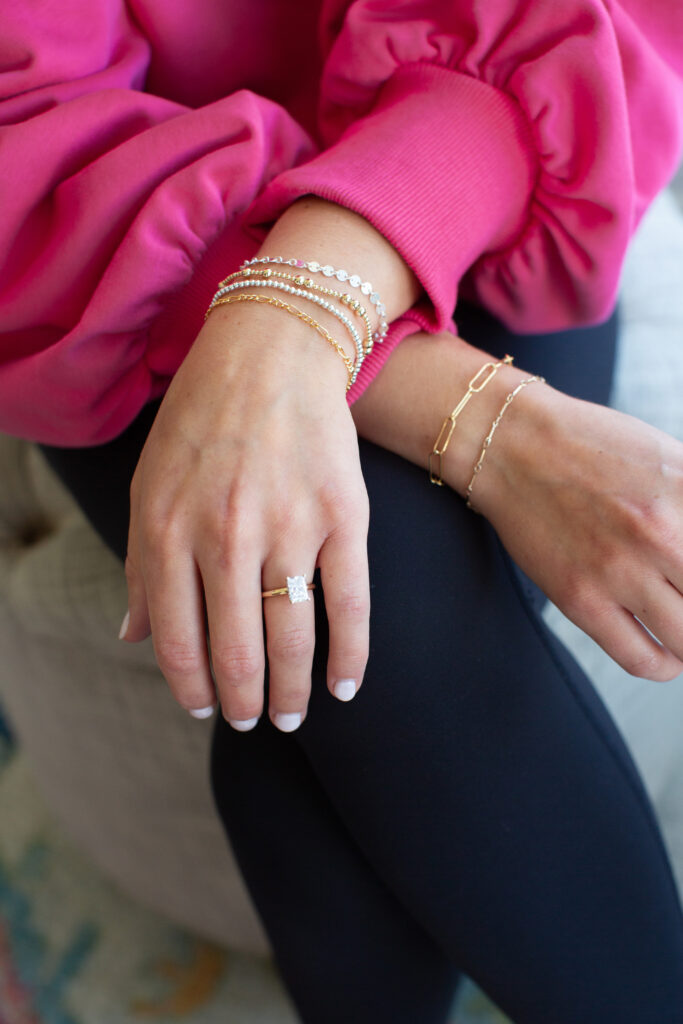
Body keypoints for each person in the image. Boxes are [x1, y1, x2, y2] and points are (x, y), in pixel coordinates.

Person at [2, 2, 683, 1021]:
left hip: (478, 145)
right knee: (347, 617)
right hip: (116, 258)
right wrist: (486, 420)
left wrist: (298, 314)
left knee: (321, 664)